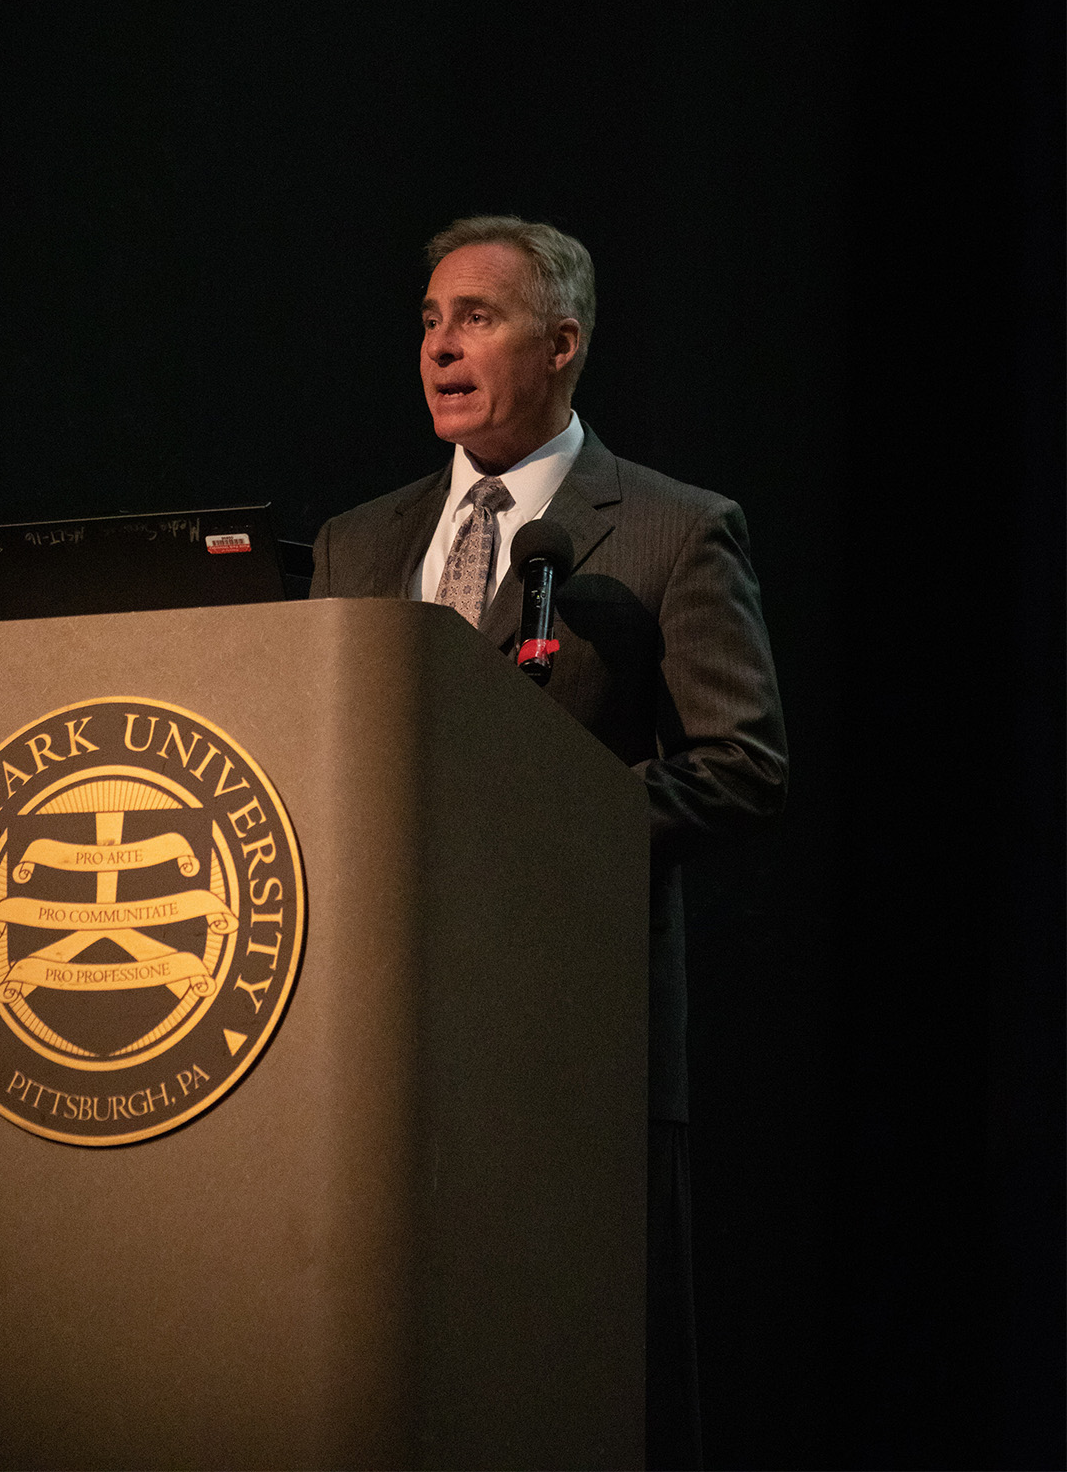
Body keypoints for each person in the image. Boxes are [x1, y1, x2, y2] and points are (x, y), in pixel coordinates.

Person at [309, 214, 788, 1469]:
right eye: (427, 321)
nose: (439, 346)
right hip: (378, 1043)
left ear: (563, 343)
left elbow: (744, 766)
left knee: (577, 1383)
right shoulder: (359, 542)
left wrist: (551, 818)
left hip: (579, 1036)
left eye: (477, 317)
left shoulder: (677, 529)